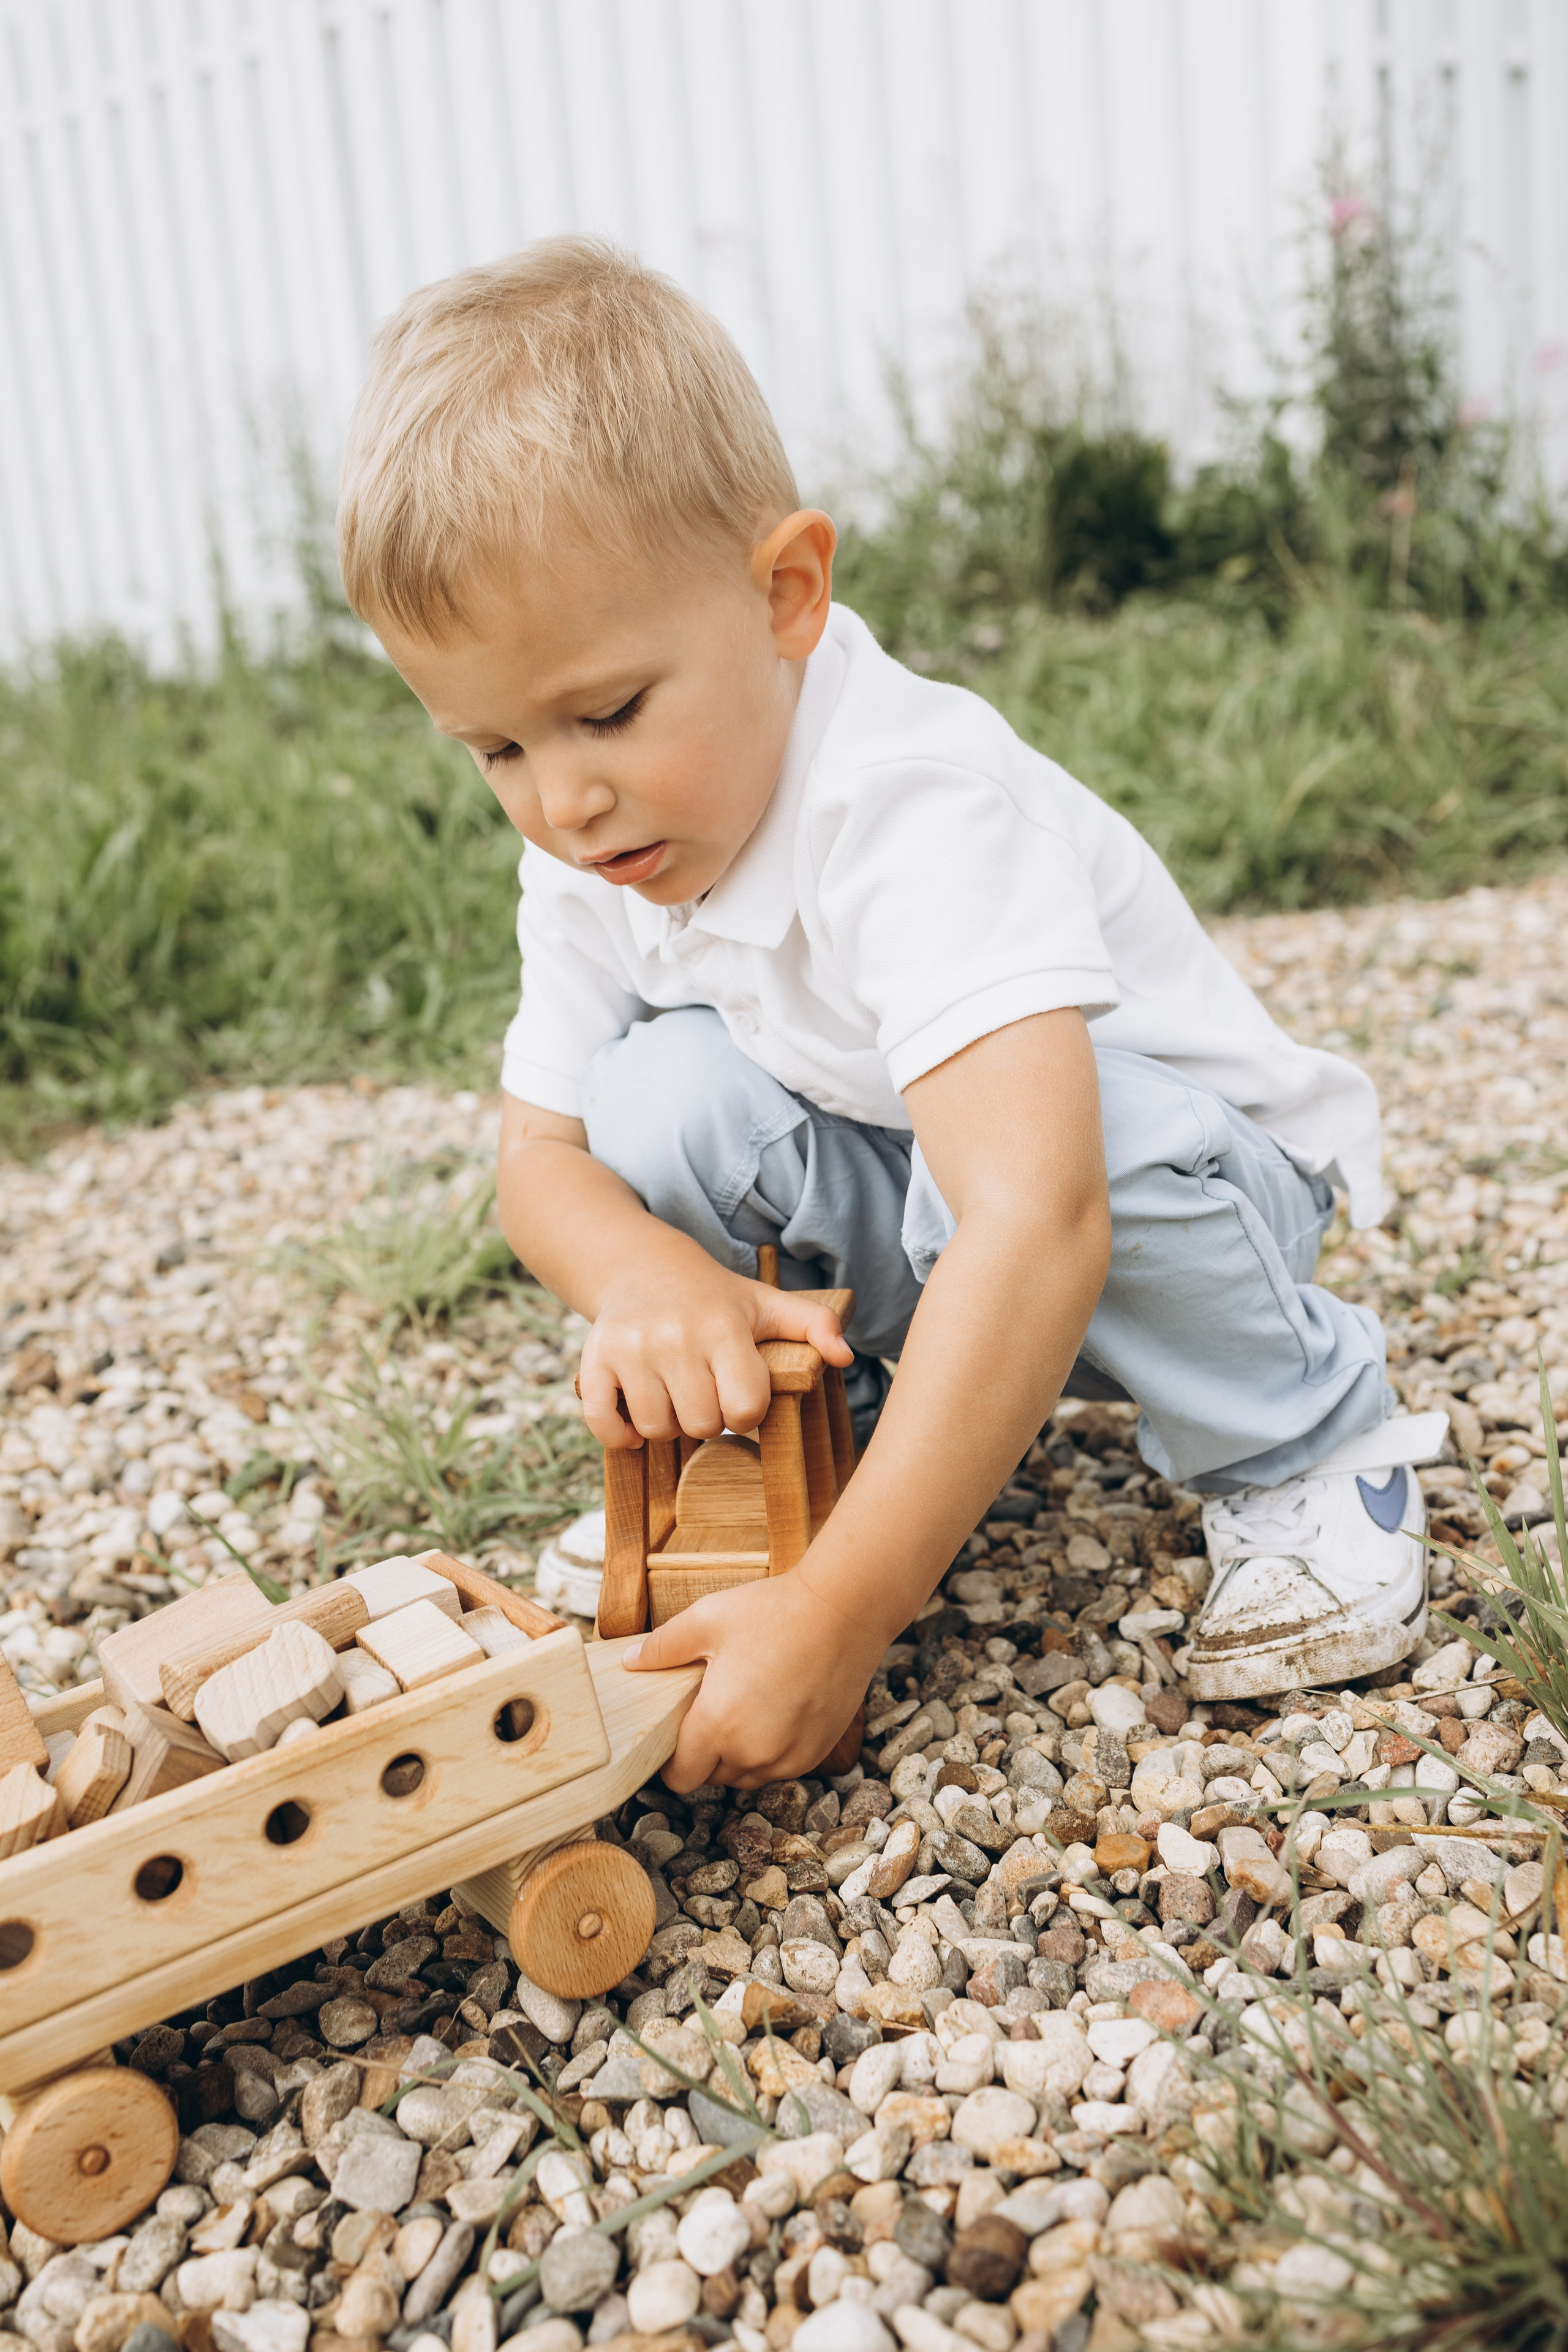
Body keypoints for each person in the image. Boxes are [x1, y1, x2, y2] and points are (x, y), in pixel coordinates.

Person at [336, 238, 1446, 1788]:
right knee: (654, 1100)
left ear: (785, 593)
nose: (564, 799)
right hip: (941, 1188)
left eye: (605, 714)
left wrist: (847, 1609)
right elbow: (542, 1158)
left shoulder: (907, 801)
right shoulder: (599, 852)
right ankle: (842, 1427)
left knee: (1043, 1146)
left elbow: (1036, 1215)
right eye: (494, 751)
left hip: (1174, 1192)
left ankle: (1303, 1442)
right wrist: (646, 1276)